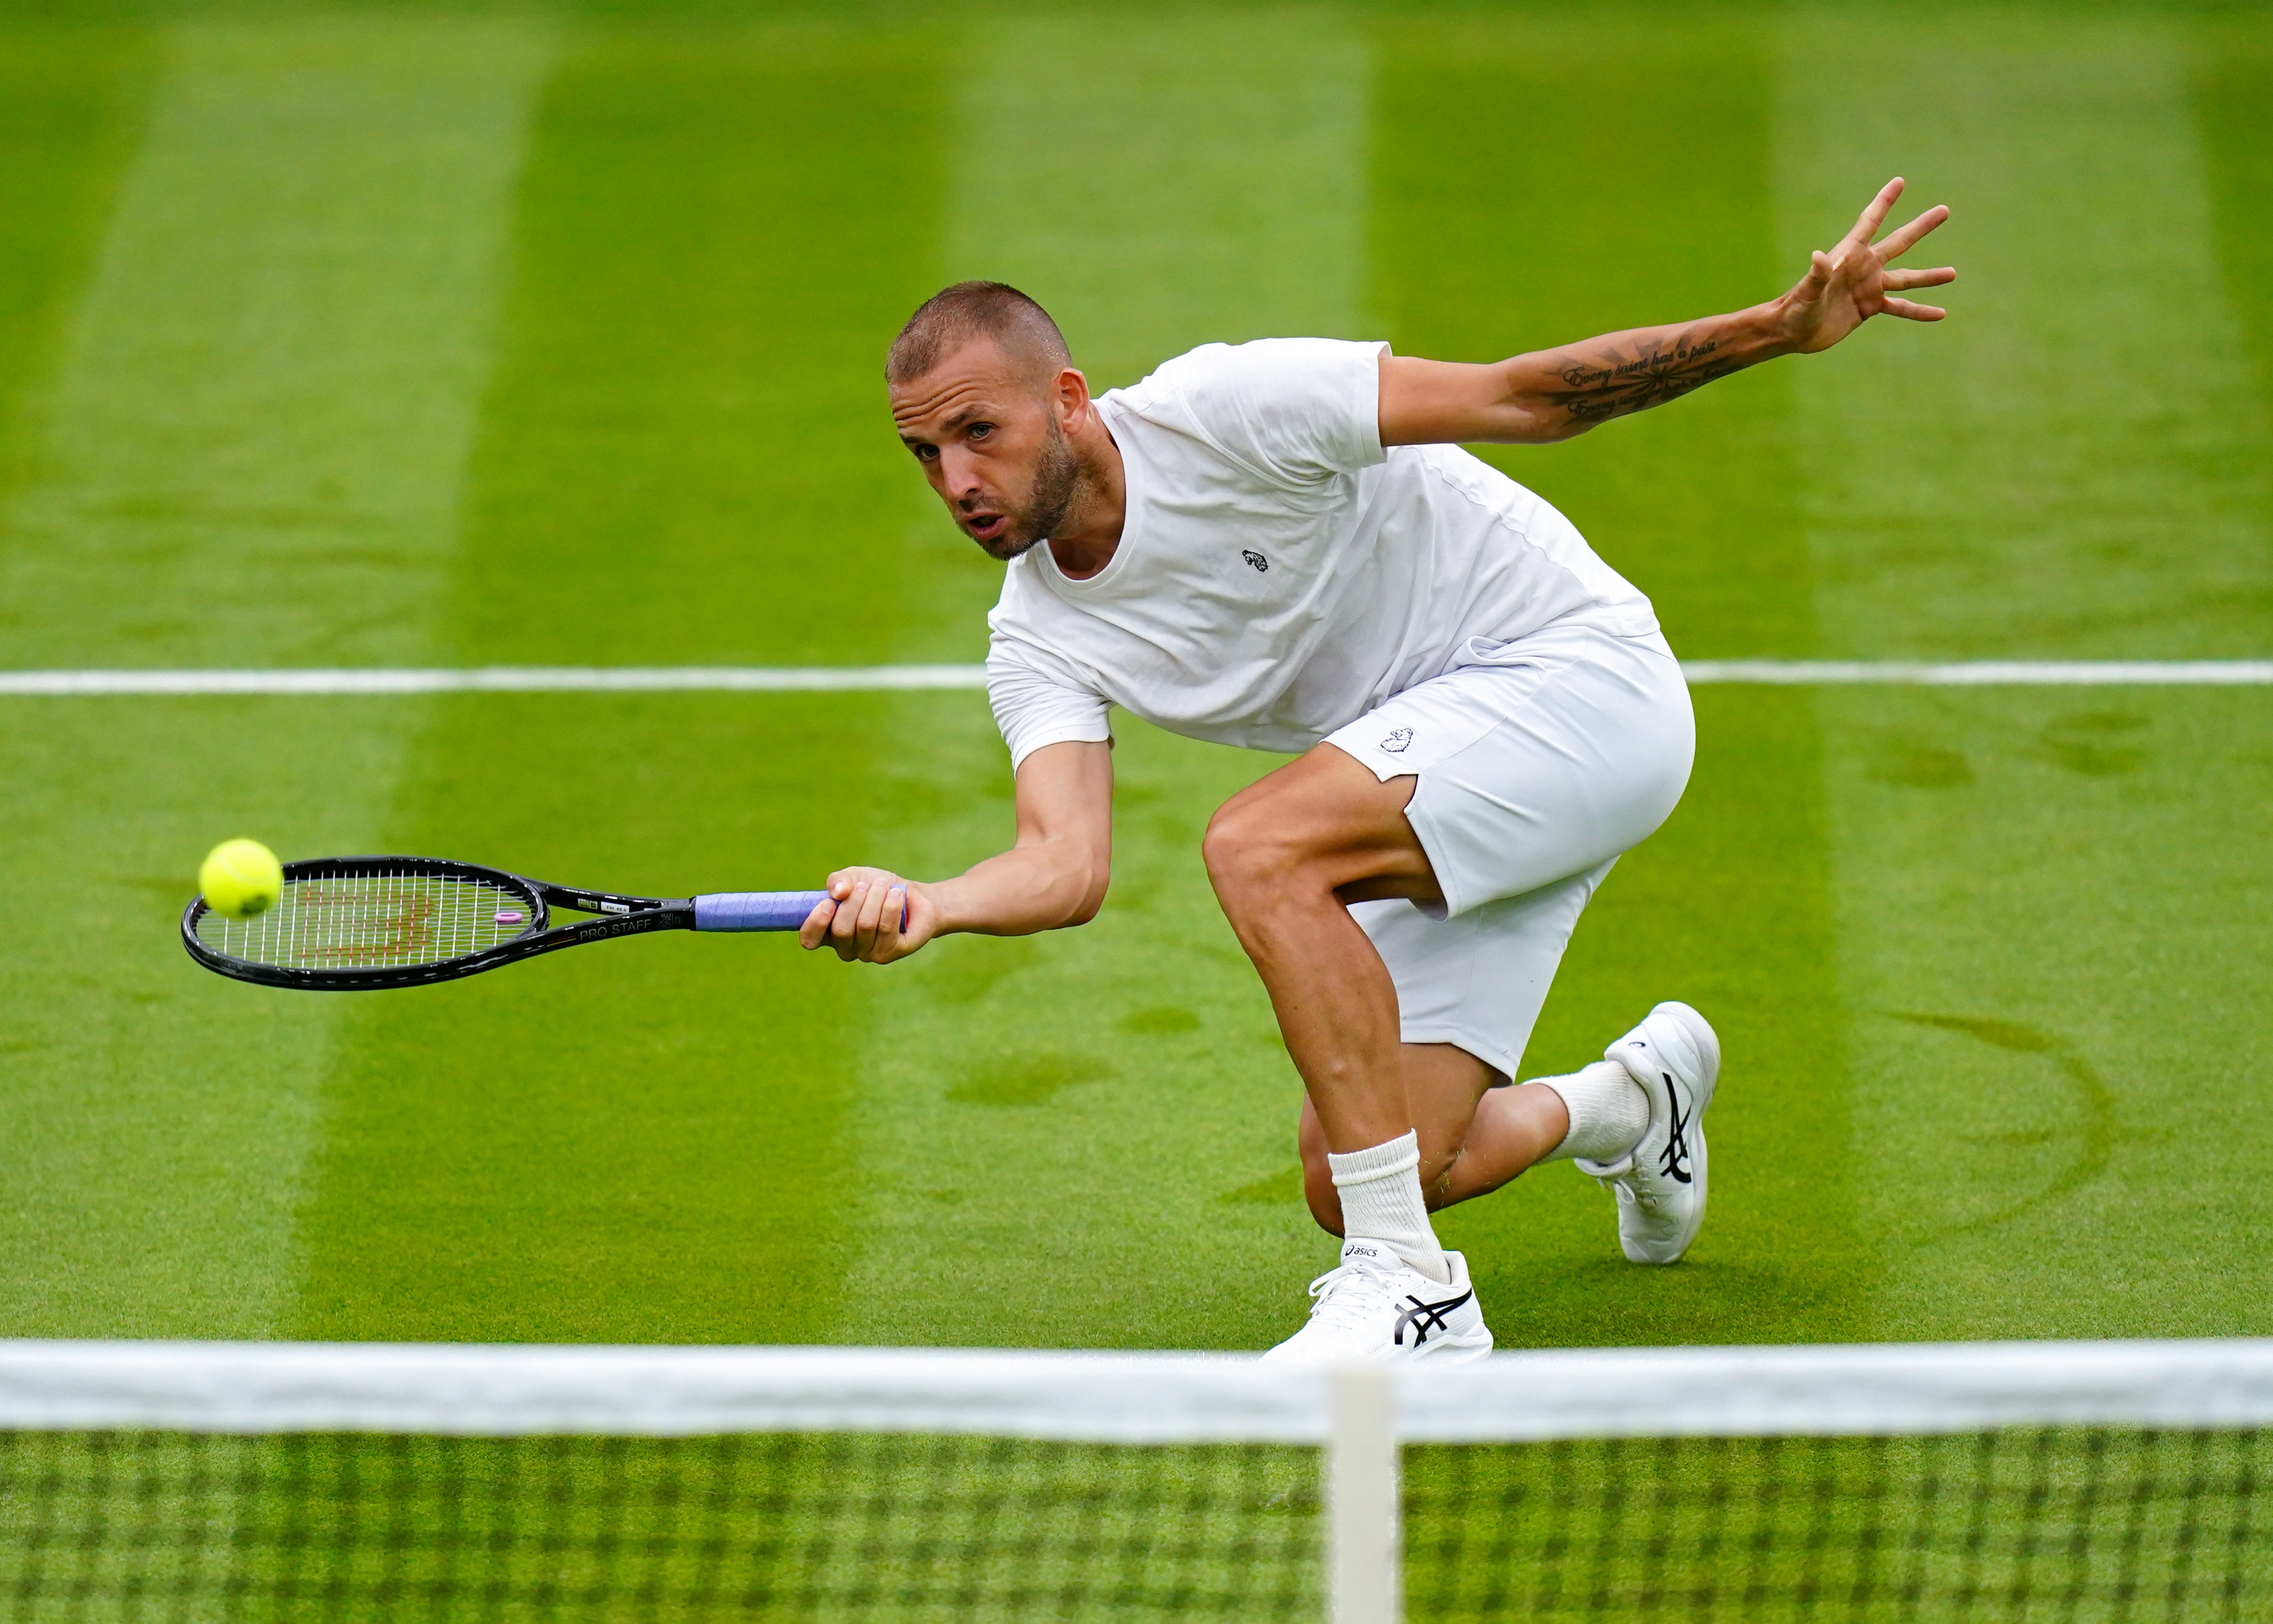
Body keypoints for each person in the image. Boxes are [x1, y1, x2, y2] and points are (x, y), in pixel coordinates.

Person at [801, 178, 1954, 1364]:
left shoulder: (1226, 409)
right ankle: (1630, 1102)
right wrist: (932, 904)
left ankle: (1411, 1287)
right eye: (924, 454)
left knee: (1261, 846)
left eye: (976, 434)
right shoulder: (1038, 634)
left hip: (1579, 687)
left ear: (1067, 399)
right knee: (1363, 1169)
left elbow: (1523, 398)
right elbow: (1063, 864)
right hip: (1440, 784)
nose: (955, 485)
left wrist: (1777, 325)